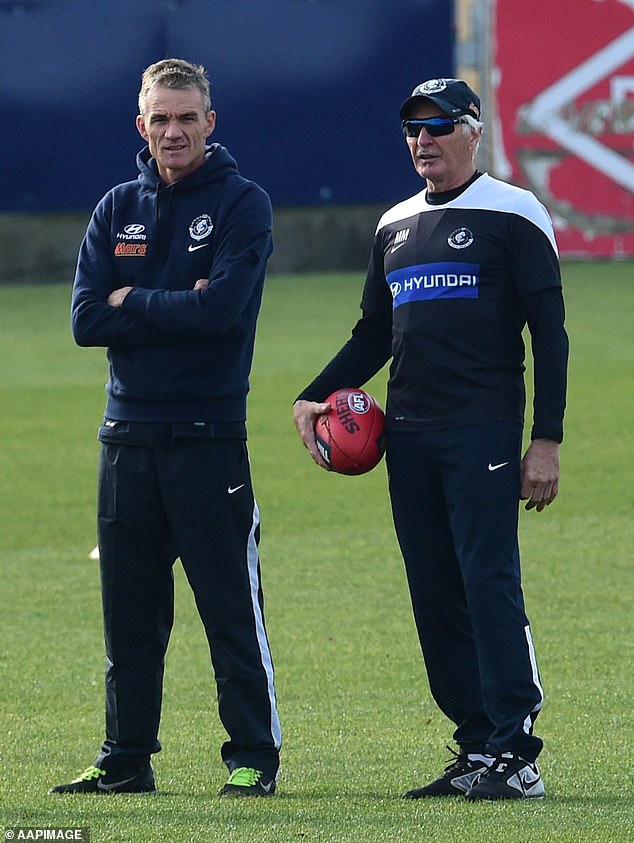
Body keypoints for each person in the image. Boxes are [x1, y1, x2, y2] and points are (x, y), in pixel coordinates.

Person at [293, 78, 568, 801]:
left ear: (474, 131)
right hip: (407, 437)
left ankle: (519, 751)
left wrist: (546, 439)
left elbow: (552, 334)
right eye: (413, 128)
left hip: (483, 428)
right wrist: (314, 393)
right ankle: (477, 745)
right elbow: (374, 334)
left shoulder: (515, 212)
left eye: (439, 126)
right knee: (435, 592)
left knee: (488, 581)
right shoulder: (394, 225)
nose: (423, 140)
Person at [50, 58, 281, 797]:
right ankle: (126, 756)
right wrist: (176, 297)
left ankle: (253, 755)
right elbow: (87, 319)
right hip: (125, 441)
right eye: (161, 118)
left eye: (187, 117)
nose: (173, 131)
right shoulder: (116, 207)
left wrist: (136, 299)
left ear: (210, 123)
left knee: (228, 610)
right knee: (130, 616)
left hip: (209, 437)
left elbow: (220, 314)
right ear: (141, 124)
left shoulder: (245, 205)